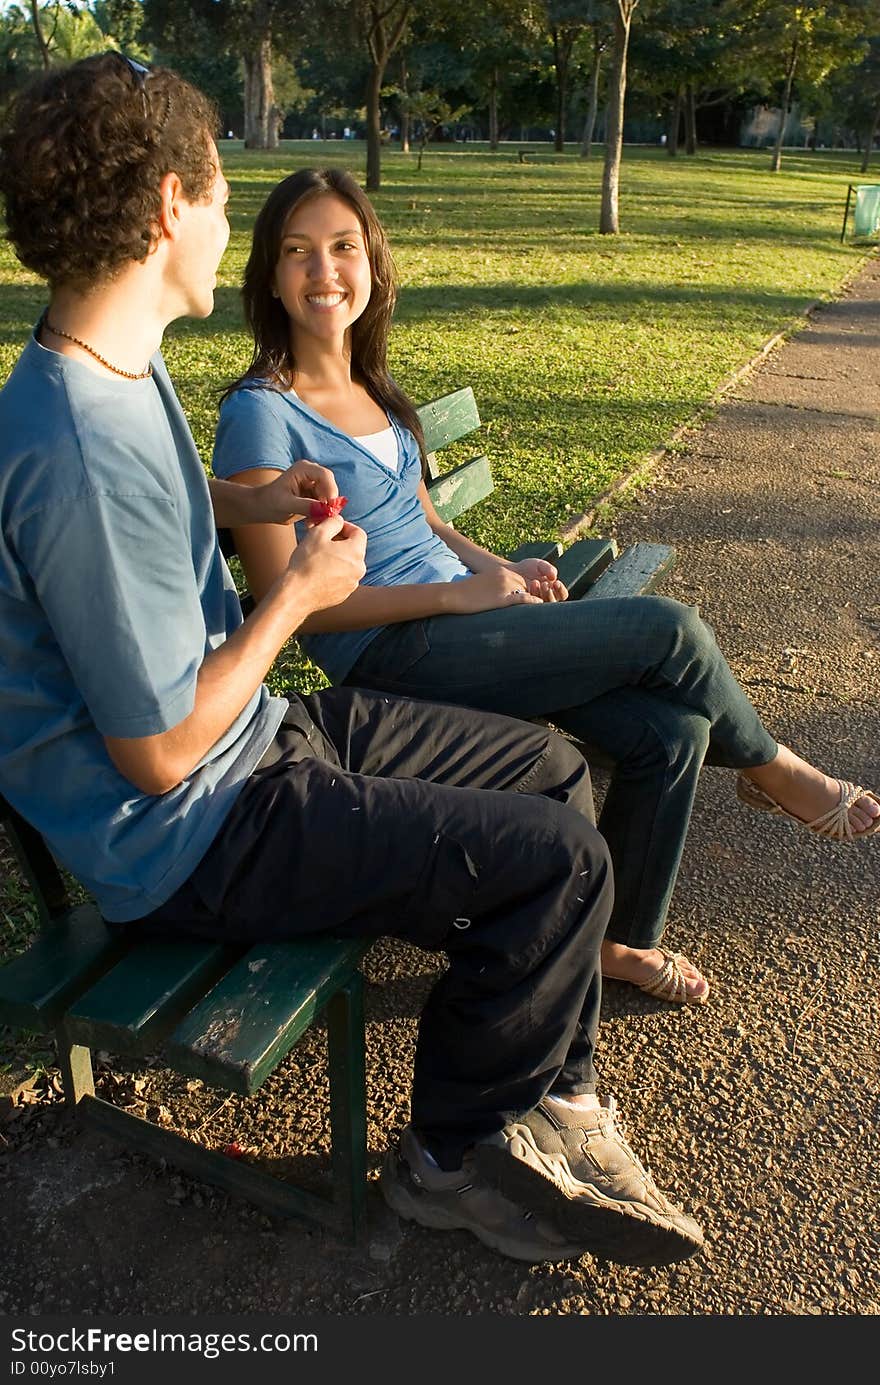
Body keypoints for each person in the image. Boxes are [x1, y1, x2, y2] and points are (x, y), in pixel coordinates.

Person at [0, 55, 705, 1269]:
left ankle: (555, 1100)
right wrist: (299, 598)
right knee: (558, 863)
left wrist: (244, 491)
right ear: (171, 204)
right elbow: (158, 752)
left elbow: (139, 525)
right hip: (188, 834)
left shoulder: (107, 359)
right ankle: (443, 1160)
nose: (230, 222)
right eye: (223, 195)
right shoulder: (74, 444)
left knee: (545, 769)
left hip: (251, 738)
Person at [211, 166, 880, 1008]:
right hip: (392, 655)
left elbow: (422, 523)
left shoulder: (370, 388)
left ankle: (618, 940)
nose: (324, 272)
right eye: (298, 252)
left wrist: (492, 566)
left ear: (372, 263)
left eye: (343, 247)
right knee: (668, 631)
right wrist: (456, 597)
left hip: (459, 623)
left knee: (669, 733)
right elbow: (293, 609)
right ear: (270, 275)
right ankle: (776, 768)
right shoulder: (260, 413)